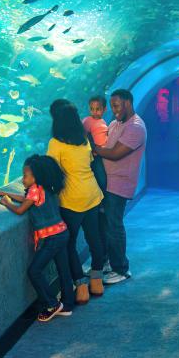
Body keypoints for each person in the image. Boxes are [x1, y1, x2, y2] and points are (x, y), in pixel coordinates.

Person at [0, 155, 75, 323]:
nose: (22, 179)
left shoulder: (35, 190)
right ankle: (67, 305)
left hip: (52, 239)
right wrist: (3, 192)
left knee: (34, 271)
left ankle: (52, 304)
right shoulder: (45, 186)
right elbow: (28, 199)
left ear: (36, 176)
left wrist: (6, 202)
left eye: (25, 175)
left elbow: (21, 209)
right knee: (63, 269)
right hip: (62, 233)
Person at [47, 99, 106, 304]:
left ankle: (81, 286)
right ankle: (97, 280)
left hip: (71, 200)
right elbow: (89, 162)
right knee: (95, 238)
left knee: (69, 244)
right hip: (92, 194)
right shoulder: (84, 139)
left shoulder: (55, 143)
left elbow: (52, 171)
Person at [92, 88, 146, 285]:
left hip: (119, 184)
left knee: (114, 226)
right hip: (107, 182)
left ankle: (121, 269)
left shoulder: (136, 127)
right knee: (104, 225)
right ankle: (106, 263)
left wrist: (95, 149)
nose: (113, 110)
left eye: (116, 105)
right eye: (112, 106)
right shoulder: (115, 124)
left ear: (128, 103)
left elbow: (115, 153)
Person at [82, 94, 109, 193]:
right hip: (95, 155)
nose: (94, 112)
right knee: (101, 178)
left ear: (104, 109)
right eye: (92, 109)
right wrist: (92, 148)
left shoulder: (103, 121)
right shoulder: (87, 120)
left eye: (98, 109)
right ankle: (102, 199)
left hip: (103, 153)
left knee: (104, 176)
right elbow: (83, 135)